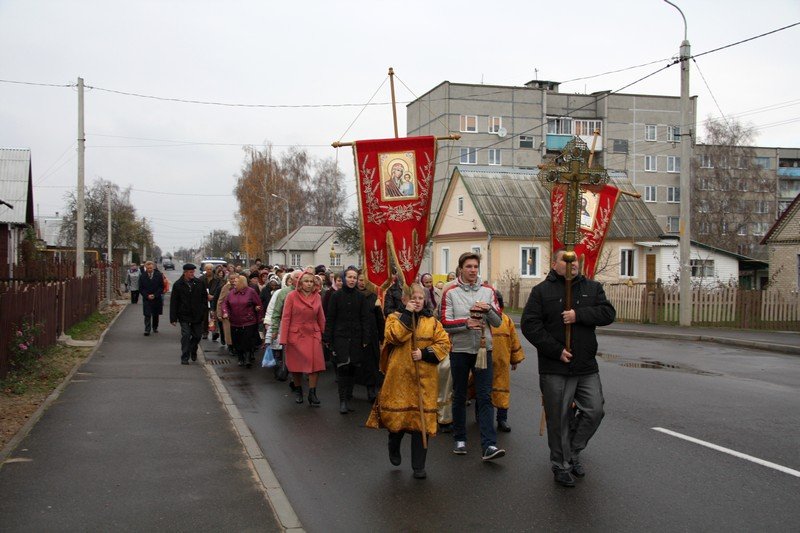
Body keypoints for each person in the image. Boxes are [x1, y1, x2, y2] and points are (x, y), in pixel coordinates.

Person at [520, 249, 616, 487]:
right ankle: (561, 465)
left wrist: (578, 315)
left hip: (585, 365)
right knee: (559, 418)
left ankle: (572, 451)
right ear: (555, 263)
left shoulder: (592, 288)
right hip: (555, 366)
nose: (572, 263)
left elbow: (607, 313)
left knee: (595, 410)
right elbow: (530, 325)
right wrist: (555, 350)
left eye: (575, 260)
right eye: (566, 259)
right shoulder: (542, 291)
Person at [366, 283, 451, 479]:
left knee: (421, 423)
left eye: (420, 298)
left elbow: (444, 343)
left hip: (425, 379)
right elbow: (394, 336)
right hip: (400, 378)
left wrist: (425, 353)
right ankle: (393, 443)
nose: (417, 301)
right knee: (399, 420)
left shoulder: (432, 322)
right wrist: (407, 314)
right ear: (404, 300)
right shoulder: (394, 318)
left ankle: (418, 466)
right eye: (413, 298)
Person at [440, 252, 505, 461]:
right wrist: (465, 323)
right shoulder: (450, 292)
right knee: (459, 395)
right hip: (460, 350)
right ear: (461, 268)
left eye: (476, 266)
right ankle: (460, 438)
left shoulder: (488, 291)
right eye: (469, 266)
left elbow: (498, 322)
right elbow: (443, 322)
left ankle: (489, 445)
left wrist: (488, 311)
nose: (473, 270)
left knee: (485, 397)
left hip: (483, 351)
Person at [323, 267, 371, 414]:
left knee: (352, 368)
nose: (352, 280)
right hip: (340, 337)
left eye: (354, 278)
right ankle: (342, 400)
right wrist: (328, 338)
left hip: (356, 337)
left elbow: (365, 319)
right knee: (343, 368)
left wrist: (365, 338)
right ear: (344, 279)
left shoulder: (360, 297)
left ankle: (348, 397)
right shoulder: (336, 296)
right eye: (349, 277)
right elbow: (330, 318)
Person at [280, 271, 326, 406]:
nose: (309, 284)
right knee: (296, 366)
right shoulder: (291, 296)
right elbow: (286, 318)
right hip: (296, 335)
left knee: (315, 365)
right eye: (306, 281)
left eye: (311, 281)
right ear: (300, 283)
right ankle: (299, 390)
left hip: (313, 333)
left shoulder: (317, 296)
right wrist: (283, 338)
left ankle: (312, 393)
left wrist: (325, 335)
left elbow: (321, 317)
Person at [487, 291, 525, 433]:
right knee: (483, 390)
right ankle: (482, 417)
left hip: (502, 363)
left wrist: (514, 359)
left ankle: (502, 418)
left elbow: (513, 340)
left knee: (502, 390)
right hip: (484, 361)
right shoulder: (482, 319)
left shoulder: (506, 320)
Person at [169, 263, 208, 364]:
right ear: (185, 272)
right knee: (186, 335)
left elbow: (204, 298)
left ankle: (192, 349)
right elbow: (174, 302)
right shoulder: (178, 284)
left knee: (197, 336)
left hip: (197, 314)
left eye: (193, 272)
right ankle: (185, 357)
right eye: (190, 272)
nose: (192, 274)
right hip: (184, 314)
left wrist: (203, 310)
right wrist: (173, 318)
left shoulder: (199, 283)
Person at [222, 275, 263, 368]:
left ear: (242, 282)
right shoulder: (231, 293)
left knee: (248, 341)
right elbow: (225, 304)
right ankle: (240, 358)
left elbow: (258, 304)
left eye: (236, 281)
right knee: (237, 341)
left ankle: (248, 358)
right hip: (235, 321)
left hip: (249, 321)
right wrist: (225, 312)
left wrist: (259, 317)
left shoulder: (251, 292)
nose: (234, 283)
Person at [356, 271, 384, 402]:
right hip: (356, 334)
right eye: (359, 280)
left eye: (364, 280)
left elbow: (379, 318)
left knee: (371, 364)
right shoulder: (352, 295)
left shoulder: (373, 297)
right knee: (356, 363)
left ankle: (371, 390)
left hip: (371, 334)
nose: (361, 283)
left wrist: (381, 336)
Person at [139, 260, 165, 336]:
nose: (149, 270)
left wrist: (155, 295)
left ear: (153, 267)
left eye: (151, 268)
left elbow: (161, 287)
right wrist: (147, 295)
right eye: (148, 268)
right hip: (147, 298)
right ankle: (147, 329)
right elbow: (141, 288)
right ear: (146, 268)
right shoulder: (142, 276)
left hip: (156, 298)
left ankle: (155, 327)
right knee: (147, 314)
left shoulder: (159, 275)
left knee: (155, 314)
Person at [216, 271, 239, 354]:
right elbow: (220, 301)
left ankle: (236, 347)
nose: (233, 280)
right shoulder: (226, 287)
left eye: (235, 278)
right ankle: (230, 347)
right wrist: (219, 314)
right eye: (231, 279)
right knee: (228, 331)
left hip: (238, 313)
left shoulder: (240, 286)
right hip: (227, 313)